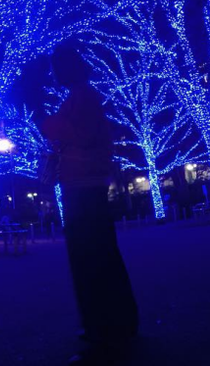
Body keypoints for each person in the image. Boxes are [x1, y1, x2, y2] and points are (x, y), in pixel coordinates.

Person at [40, 44, 138, 364]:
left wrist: (47, 122)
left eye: (57, 67)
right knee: (102, 255)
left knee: (89, 259)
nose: (54, 75)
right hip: (87, 185)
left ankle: (104, 331)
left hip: (82, 188)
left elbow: (78, 134)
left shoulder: (82, 97)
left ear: (68, 68)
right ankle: (117, 324)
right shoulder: (83, 96)